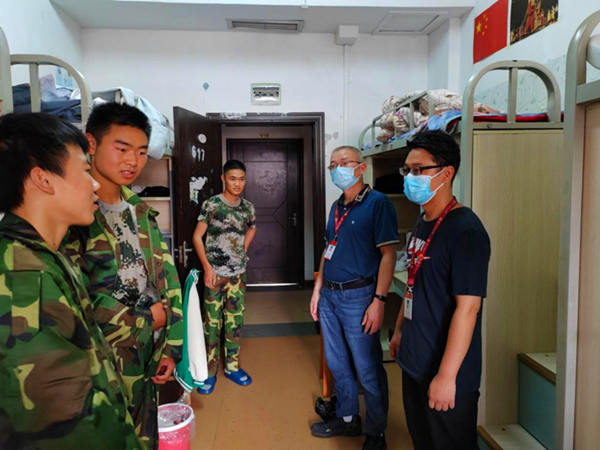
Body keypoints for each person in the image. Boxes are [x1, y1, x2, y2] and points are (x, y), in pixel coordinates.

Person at [0, 113, 143, 449]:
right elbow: (67, 425)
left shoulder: (46, 256)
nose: (94, 184)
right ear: (43, 179)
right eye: (84, 170)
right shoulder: (24, 280)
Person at [64, 103, 184, 449]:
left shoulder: (140, 211)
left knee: (145, 434)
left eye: (142, 152)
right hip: (103, 359)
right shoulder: (75, 218)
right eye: (122, 148)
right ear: (91, 143)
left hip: (147, 351)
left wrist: (171, 346)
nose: (133, 161)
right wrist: (147, 320)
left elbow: (168, 281)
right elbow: (73, 303)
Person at [389, 130, 491, 450]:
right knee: (422, 441)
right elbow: (414, 282)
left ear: (446, 174)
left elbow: (468, 308)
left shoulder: (466, 231)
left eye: (419, 169)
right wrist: (399, 331)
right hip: (414, 360)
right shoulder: (422, 222)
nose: (410, 177)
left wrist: (446, 377)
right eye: (407, 170)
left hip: (446, 370)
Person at [310, 145, 398, 450]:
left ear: (361, 167)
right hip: (329, 296)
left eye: (344, 163)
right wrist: (317, 290)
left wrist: (379, 301)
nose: (337, 169)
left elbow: (388, 255)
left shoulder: (378, 203)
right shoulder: (337, 206)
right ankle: (347, 418)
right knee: (337, 363)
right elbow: (328, 249)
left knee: (367, 367)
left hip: (359, 297)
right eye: (332, 165)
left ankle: (376, 431)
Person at [192, 160, 257, 394]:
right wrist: (208, 268)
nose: (237, 183)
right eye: (232, 178)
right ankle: (209, 372)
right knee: (212, 323)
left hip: (237, 275)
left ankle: (232, 367)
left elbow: (252, 227)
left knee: (234, 322)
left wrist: (242, 249)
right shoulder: (212, 205)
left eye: (241, 179)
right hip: (215, 275)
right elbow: (197, 237)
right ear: (223, 179)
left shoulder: (247, 207)